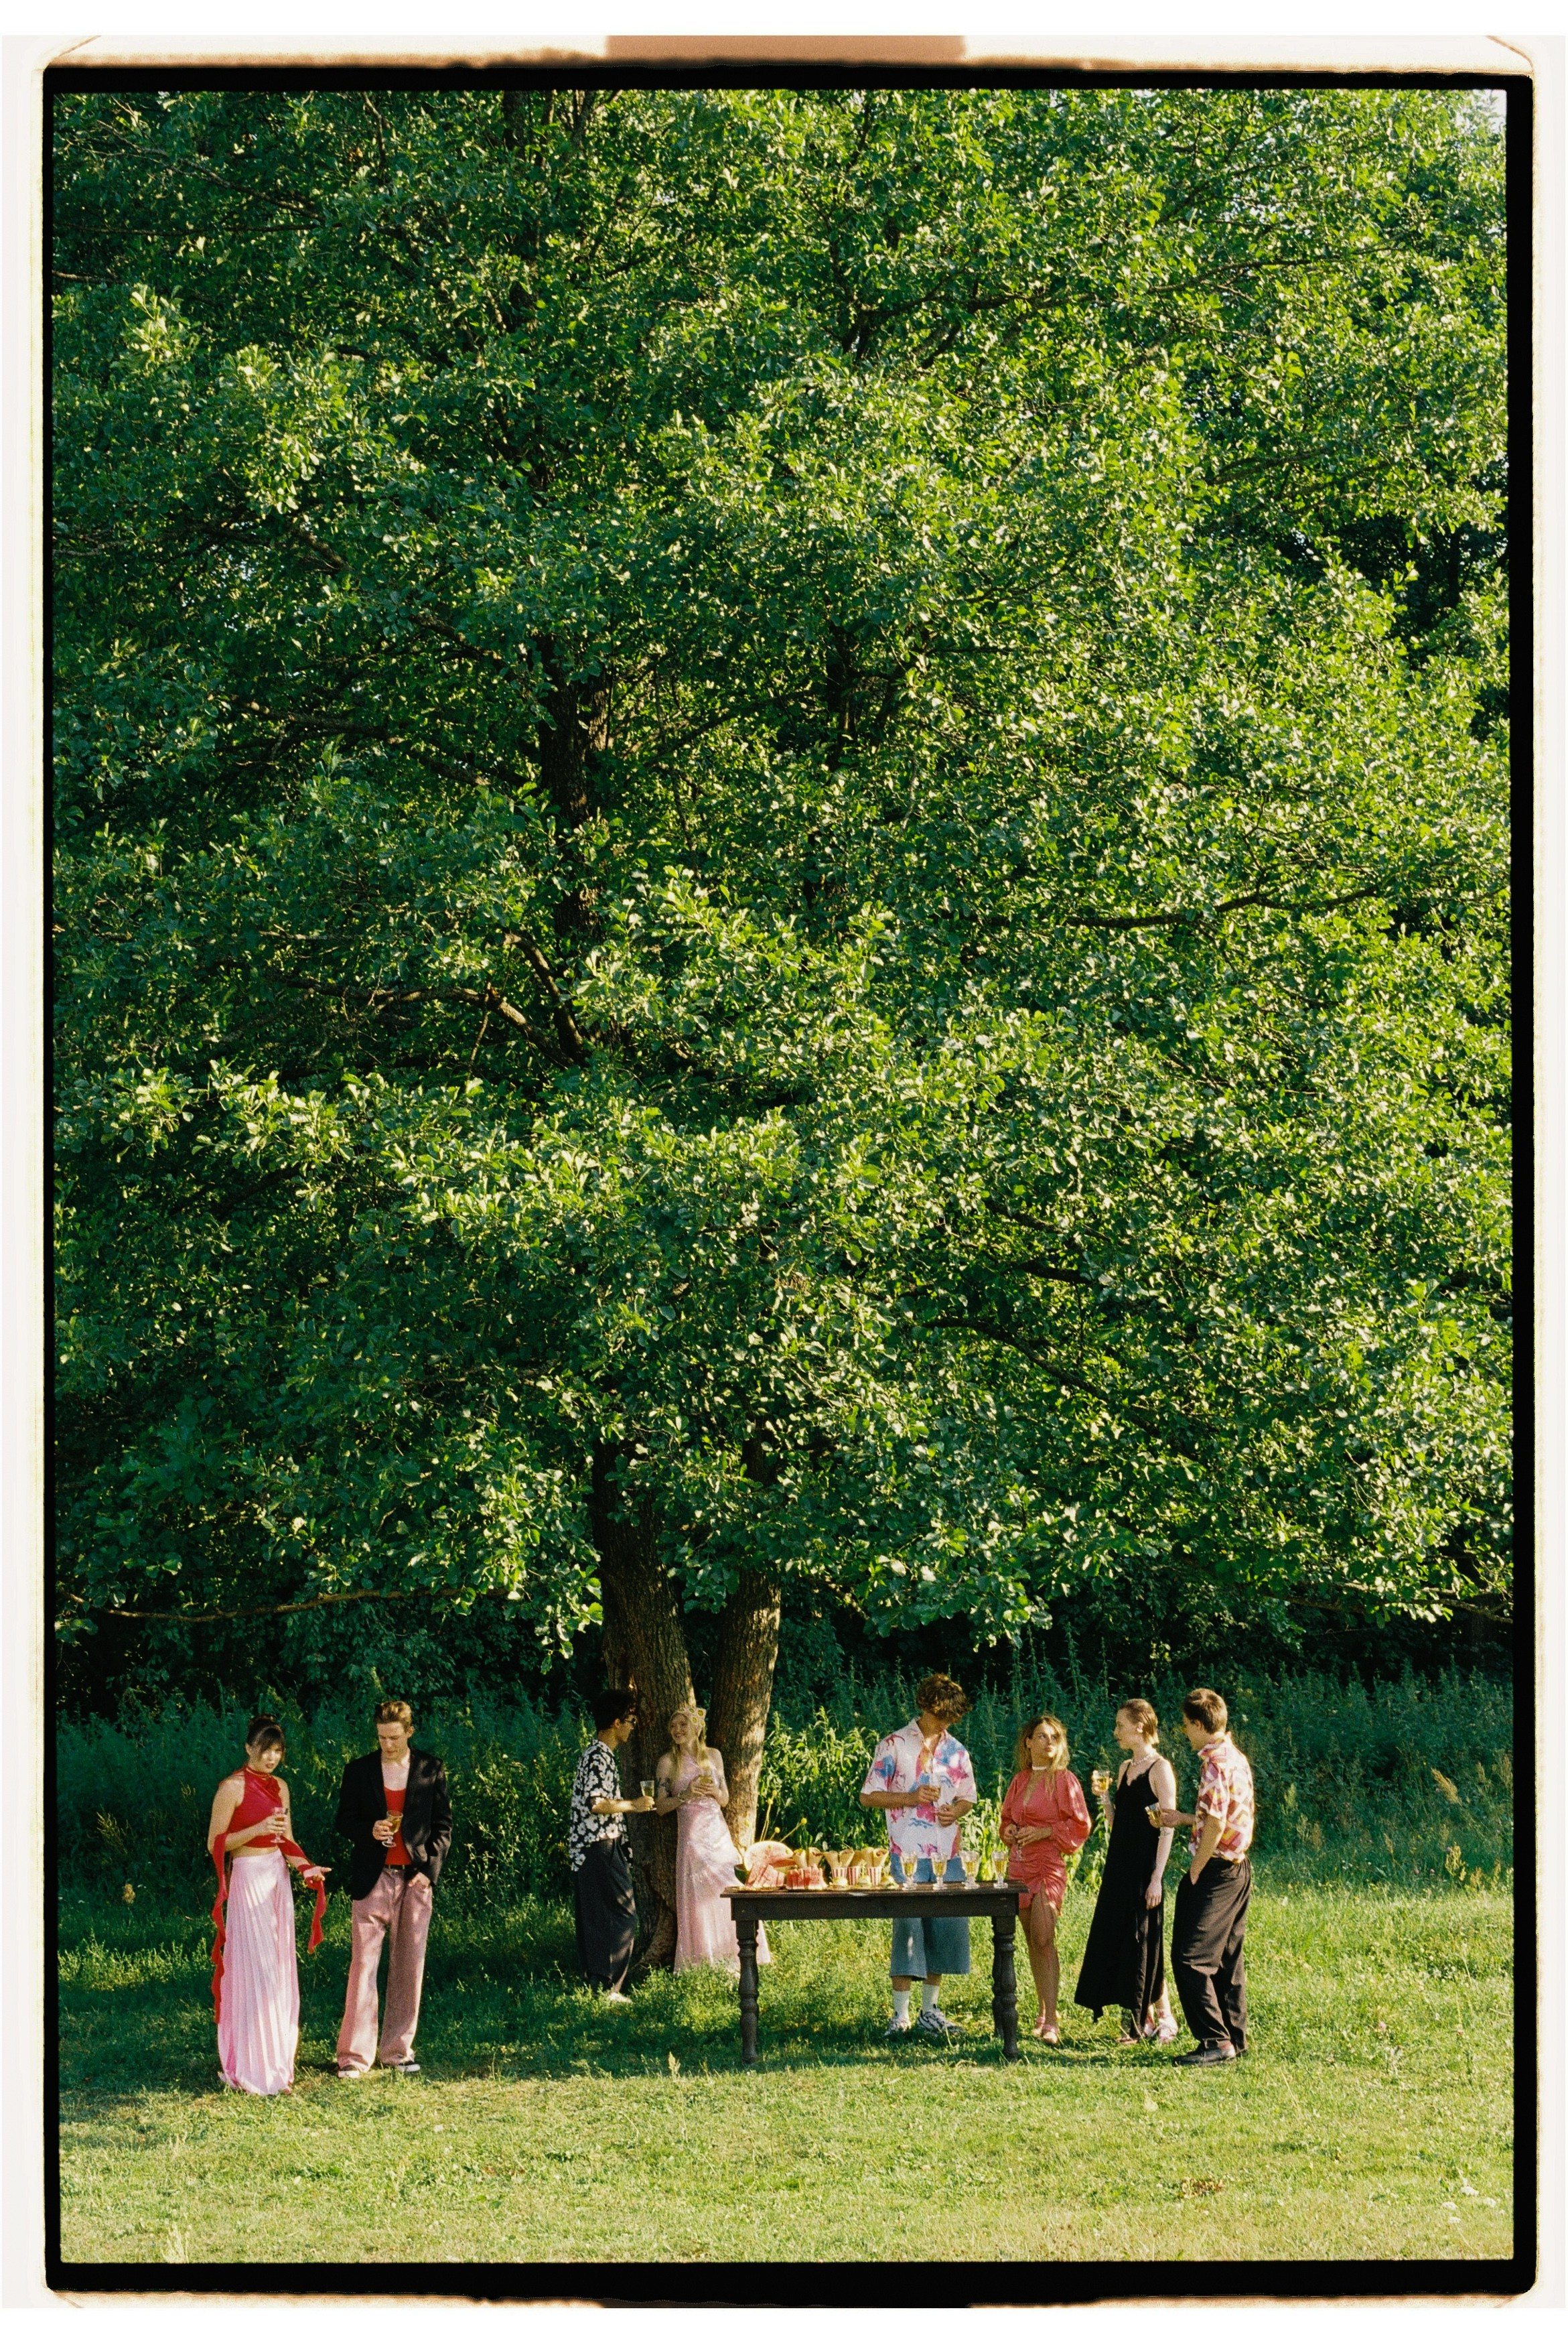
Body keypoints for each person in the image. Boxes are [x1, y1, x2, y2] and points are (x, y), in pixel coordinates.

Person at [206, 1715, 330, 2097]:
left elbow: (286, 1839)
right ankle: (251, 2066)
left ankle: (278, 2065)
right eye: (265, 1750)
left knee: (278, 1969)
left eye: (278, 1751)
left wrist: (306, 1867)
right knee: (255, 1968)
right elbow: (215, 1843)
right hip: (249, 1877)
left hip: (277, 1877)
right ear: (248, 1748)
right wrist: (256, 1831)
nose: (272, 1758)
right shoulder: (232, 1787)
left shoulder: (281, 1787)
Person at [334, 1698, 452, 2080]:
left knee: (409, 1967)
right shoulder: (359, 1771)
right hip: (373, 1877)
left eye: (394, 1737)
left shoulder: (430, 1769)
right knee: (364, 1967)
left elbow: (443, 1826)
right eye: (382, 1737)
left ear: (410, 1732)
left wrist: (429, 1872)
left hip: (415, 1880)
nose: (387, 1744)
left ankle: (397, 2052)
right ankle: (354, 2058)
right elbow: (344, 1821)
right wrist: (369, 1829)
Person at [859, 1671, 977, 2039]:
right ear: (926, 1706)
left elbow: (968, 1797)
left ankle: (931, 2012)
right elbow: (868, 1796)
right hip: (906, 1853)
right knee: (908, 1928)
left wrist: (955, 1811)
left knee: (941, 1930)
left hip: (947, 1853)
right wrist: (911, 1798)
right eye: (942, 1715)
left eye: (952, 1718)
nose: (947, 1723)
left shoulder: (956, 1751)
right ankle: (901, 2015)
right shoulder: (894, 1745)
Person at [1153, 1685, 1256, 2067]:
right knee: (1228, 1958)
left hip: (1215, 1870)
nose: (1185, 1732)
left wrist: (1195, 1870)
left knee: (1191, 1958)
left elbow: (1215, 1823)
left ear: (1198, 1724)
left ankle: (1215, 2041)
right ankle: (1235, 2037)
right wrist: (1183, 1819)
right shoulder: (1235, 1757)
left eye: (1185, 1725)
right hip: (1239, 1867)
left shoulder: (1213, 1762)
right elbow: (1224, 1814)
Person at [1073, 1698, 1178, 2045]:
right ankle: (1139, 2021)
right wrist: (1104, 1801)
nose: (1116, 1731)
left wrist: (1157, 1878)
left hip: (1144, 1868)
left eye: (1121, 1725)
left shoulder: (1160, 1768)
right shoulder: (1124, 1769)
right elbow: (1122, 1825)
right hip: (1119, 1867)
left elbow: (1167, 1827)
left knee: (1146, 1941)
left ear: (1139, 1725)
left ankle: (1165, 2017)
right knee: (1123, 1940)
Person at [655, 1702, 771, 1977]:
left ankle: (739, 1956)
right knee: (698, 1898)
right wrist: (687, 1794)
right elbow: (660, 1807)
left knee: (729, 1888)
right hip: (693, 1838)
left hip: (717, 1834)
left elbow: (725, 1799)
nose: (677, 1730)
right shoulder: (668, 1762)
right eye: (673, 1725)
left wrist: (714, 1792)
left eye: (683, 1724)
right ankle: (702, 1961)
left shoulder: (713, 1756)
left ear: (697, 1727)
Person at [999, 1714, 1091, 2043]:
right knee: (1030, 1942)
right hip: (1018, 1867)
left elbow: (1081, 1826)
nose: (1048, 1742)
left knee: (1043, 1937)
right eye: (1041, 1736)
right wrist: (1009, 1830)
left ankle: (1052, 2019)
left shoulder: (1065, 1780)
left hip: (1048, 1867)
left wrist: (1045, 1831)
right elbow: (1006, 1822)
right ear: (1028, 1742)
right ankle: (1041, 2011)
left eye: (1054, 1736)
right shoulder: (1019, 1781)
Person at [570, 1688, 655, 1999]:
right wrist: (634, 1805)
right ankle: (611, 1989)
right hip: (600, 1844)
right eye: (630, 1721)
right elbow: (597, 1803)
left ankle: (598, 1985)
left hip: (594, 1845)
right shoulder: (598, 1756)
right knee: (623, 1913)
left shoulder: (596, 1754)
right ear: (616, 1722)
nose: (632, 1727)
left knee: (595, 1914)